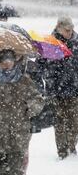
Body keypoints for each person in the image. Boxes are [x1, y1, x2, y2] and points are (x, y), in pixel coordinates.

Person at [0, 50, 44, 175]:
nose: (6, 64)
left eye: (9, 60)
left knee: (16, 170)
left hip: (18, 133)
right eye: (2, 61)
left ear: (14, 62)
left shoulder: (24, 80)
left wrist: (29, 107)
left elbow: (38, 100)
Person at [39, 16, 78, 159]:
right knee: (59, 122)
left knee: (74, 122)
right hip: (55, 89)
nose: (69, 32)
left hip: (74, 88)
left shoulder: (76, 43)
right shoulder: (50, 42)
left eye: (71, 29)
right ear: (59, 27)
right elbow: (40, 64)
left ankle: (71, 147)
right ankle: (62, 152)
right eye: (66, 30)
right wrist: (49, 73)